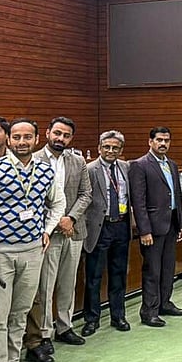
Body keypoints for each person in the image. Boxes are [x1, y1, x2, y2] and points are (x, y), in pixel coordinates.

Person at [0, 118, 65, 362]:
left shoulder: (46, 172)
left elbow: (58, 202)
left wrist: (47, 229)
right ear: (9, 140)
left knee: (20, 311)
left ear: (37, 139)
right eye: (16, 137)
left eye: (27, 137)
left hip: (32, 251)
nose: (22, 142)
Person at [25, 117, 92, 362]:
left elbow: (86, 194)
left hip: (73, 230)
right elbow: (30, 199)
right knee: (45, 285)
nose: (60, 138)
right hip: (47, 234)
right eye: (57, 133)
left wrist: (70, 218)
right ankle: (44, 333)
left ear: (70, 139)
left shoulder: (78, 161)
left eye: (65, 135)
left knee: (68, 282)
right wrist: (55, 221)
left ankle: (65, 326)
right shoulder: (33, 160)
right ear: (47, 133)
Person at [129, 126, 182, 328]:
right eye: (159, 140)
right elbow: (138, 201)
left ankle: (165, 303)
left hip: (171, 224)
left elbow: (176, 196)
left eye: (167, 140)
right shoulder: (140, 165)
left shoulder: (171, 164)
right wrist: (144, 230)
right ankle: (149, 311)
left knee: (168, 268)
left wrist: (180, 223)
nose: (163, 143)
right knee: (152, 271)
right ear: (150, 142)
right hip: (152, 229)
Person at [81, 131, 134, 337]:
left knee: (119, 274)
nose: (110, 151)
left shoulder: (126, 167)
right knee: (94, 276)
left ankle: (118, 315)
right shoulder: (90, 169)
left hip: (121, 225)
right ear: (99, 148)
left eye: (115, 148)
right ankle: (92, 319)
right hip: (99, 228)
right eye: (107, 147)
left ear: (121, 150)